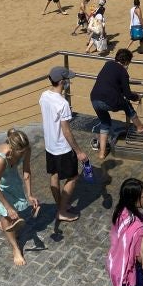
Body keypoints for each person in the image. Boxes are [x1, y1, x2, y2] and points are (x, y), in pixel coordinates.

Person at [0, 129, 39, 266]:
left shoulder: (26, 149)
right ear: (13, 148)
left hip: (7, 174)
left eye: (25, 152)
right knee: (6, 213)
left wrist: (30, 195)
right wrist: (8, 207)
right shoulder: (0, 159)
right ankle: (15, 248)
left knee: (10, 209)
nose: (24, 154)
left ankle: (5, 224)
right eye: (21, 153)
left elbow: (26, 172)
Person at [39, 66, 87, 223]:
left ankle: (60, 205)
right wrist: (79, 151)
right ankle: (61, 210)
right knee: (73, 177)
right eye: (67, 80)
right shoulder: (63, 103)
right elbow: (66, 131)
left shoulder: (44, 96)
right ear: (61, 81)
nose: (68, 82)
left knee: (54, 174)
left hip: (49, 145)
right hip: (62, 147)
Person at [89, 49, 143, 159]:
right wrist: (137, 97)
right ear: (126, 61)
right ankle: (140, 127)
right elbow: (127, 94)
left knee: (105, 122)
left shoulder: (108, 64)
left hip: (94, 98)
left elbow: (111, 82)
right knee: (127, 105)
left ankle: (102, 153)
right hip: (109, 100)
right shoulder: (123, 72)